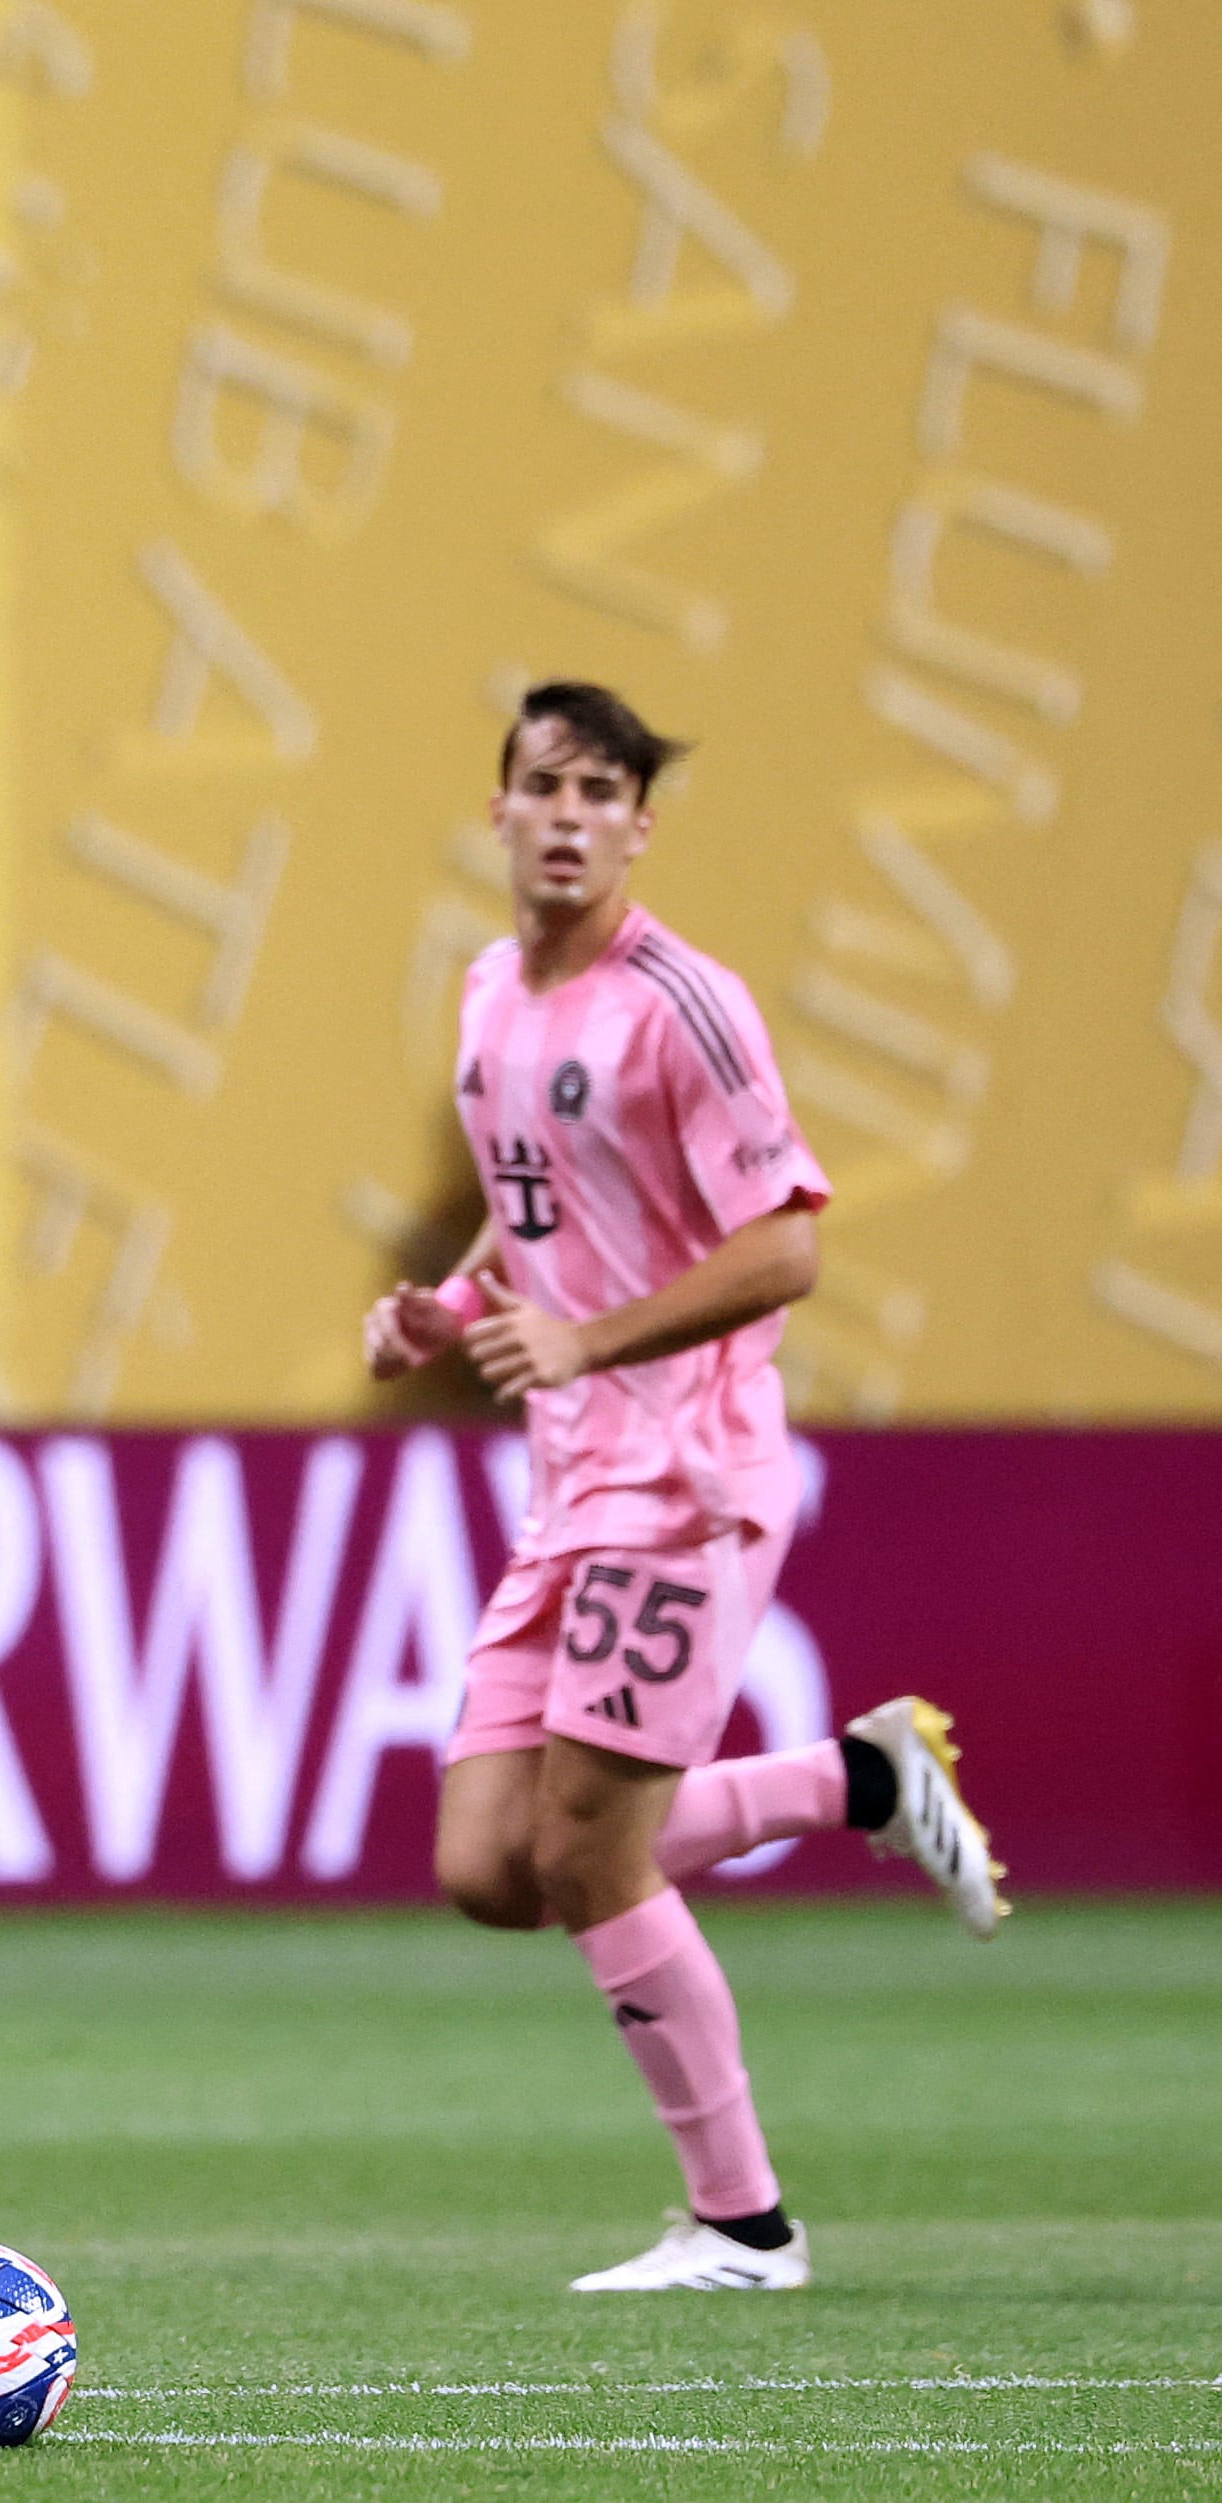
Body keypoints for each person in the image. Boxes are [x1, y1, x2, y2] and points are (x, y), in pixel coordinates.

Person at [359, 681, 1000, 2298]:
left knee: (586, 1855)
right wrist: (443, 1308)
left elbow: (781, 1239)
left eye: (599, 790)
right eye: (540, 786)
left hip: (683, 1474)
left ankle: (742, 2226)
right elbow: (536, 1214)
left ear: (638, 827)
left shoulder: (681, 1006)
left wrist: (585, 1343)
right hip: (569, 1485)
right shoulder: (486, 997)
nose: (566, 814)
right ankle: (850, 1787)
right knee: (483, 1869)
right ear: (494, 812)